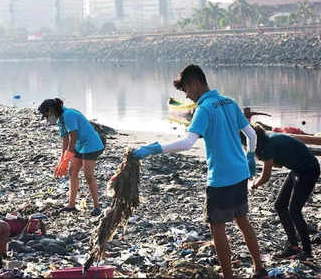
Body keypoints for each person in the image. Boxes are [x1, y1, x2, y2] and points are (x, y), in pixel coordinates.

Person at [133, 65, 267, 279]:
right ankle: (260, 269)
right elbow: (252, 135)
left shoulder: (204, 109)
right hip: (241, 172)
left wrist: (154, 148)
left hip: (221, 177)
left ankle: (228, 276)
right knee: (242, 220)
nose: (186, 95)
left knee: (217, 228)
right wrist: (250, 157)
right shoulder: (230, 102)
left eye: (186, 89)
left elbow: (187, 143)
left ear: (195, 83)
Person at [251, 125, 320, 259]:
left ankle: (307, 251)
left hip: (308, 171)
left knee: (294, 210)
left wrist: (254, 184)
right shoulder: (267, 138)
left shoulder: (267, 146)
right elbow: (279, 163)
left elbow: (265, 177)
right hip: (297, 170)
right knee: (280, 205)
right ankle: (293, 246)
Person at [38, 98, 104, 217]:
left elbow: (73, 138)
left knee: (88, 175)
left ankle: (97, 207)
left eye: (46, 114)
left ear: (52, 110)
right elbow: (65, 140)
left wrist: (67, 158)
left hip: (91, 143)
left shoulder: (69, 115)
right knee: (72, 171)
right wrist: (62, 160)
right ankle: (71, 205)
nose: (47, 118)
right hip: (79, 145)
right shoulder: (60, 119)